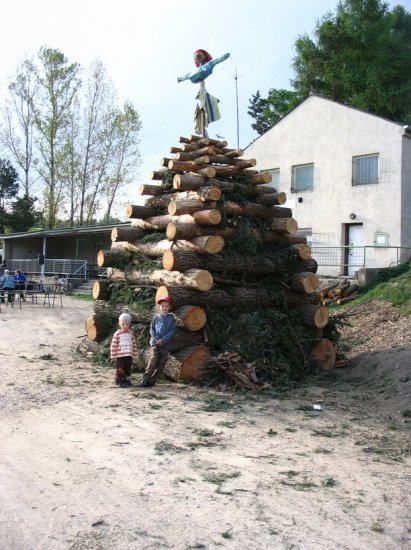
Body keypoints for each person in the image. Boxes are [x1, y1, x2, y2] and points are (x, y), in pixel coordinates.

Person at [140, 296, 176, 388]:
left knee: (161, 364)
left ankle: (152, 381)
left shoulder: (171, 319)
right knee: (153, 360)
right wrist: (156, 339)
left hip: (165, 345)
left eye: (166, 306)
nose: (164, 308)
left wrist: (163, 340)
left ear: (169, 307)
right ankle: (145, 379)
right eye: (162, 306)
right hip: (155, 343)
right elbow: (152, 329)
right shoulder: (156, 318)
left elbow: (171, 331)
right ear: (158, 307)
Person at [110, 312, 138, 388]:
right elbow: (114, 345)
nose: (125, 326)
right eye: (123, 324)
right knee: (120, 368)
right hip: (120, 356)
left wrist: (135, 357)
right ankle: (120, 380)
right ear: (119, 323)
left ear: (130, 324)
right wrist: (113, 355)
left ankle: (127, 380)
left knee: (128, 369)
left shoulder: (131, 334)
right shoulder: (117, 334)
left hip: (129, 356)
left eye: (127, 324)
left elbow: (134, 346)